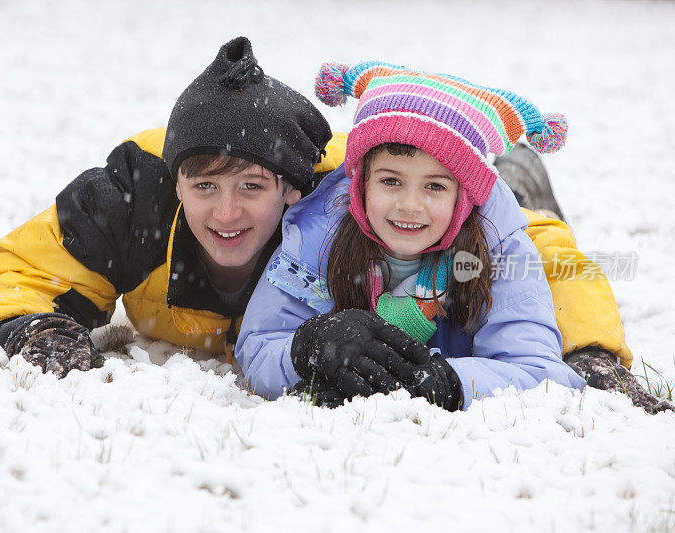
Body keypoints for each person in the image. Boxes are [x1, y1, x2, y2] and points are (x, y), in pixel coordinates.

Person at [236, 61, 670, 412]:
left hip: (506, 224)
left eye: (434, 186)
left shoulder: (501, 243)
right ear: (361, 183)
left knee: (551, 246)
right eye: (390, 181)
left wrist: (448, 382)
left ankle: (522, 174)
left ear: (464, 196)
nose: (409, 205)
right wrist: (309, 349)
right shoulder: (319, 231)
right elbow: (259, 345)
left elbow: (538, 369)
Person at [0, 37, 342, 374]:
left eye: (250, 187)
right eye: (205, 186)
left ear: (291, 187)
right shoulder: (135, 195)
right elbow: (23, 272)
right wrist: (33, 328)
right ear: (175, 183)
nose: (227, 212)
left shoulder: (346, 201)